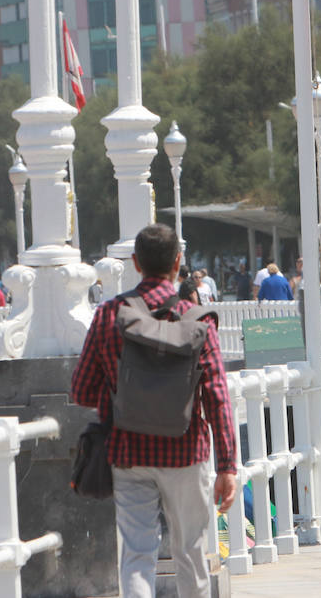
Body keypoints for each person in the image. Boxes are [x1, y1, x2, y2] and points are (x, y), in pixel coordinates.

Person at [72, 223, 237, 597]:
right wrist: (227, 465)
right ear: (178, 262)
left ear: (135, 262)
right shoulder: (199, 320)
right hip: (187, 452)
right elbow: (217, 397)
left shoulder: (109, 315)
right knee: (191, 552)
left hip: (129, 453)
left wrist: (119, 392)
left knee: (137, 555)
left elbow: (81, 390)